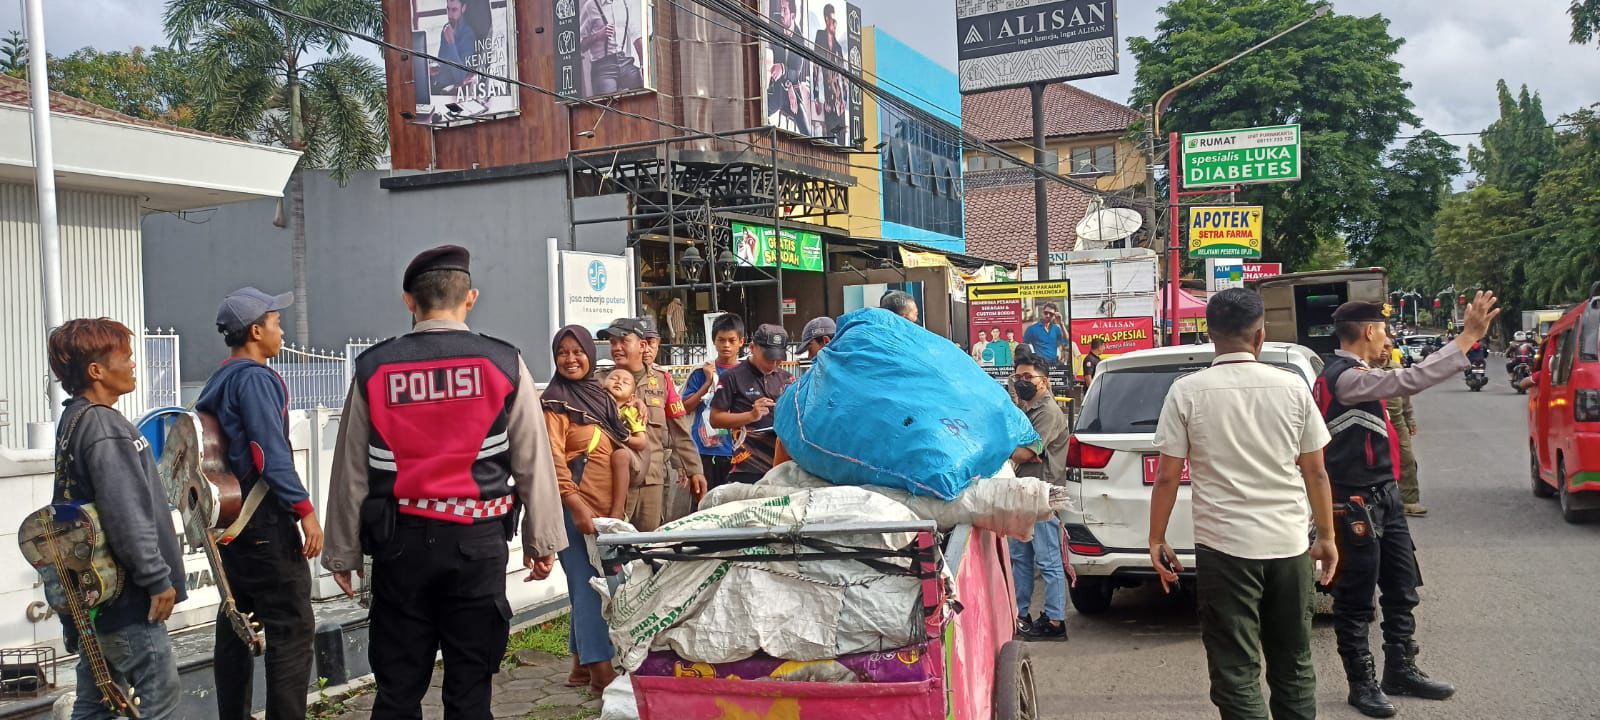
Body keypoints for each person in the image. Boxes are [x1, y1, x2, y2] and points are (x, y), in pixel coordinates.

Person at [322, 245, 566, 720]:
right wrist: (543, 541)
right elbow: (533, 460)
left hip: (399, 548)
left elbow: (351, 469)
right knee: (470, 690)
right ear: (470, 298)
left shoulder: (374, 368)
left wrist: (342, 552)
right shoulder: (503, 362)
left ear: (408, 301)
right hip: (478, 545)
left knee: (397, 691)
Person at [1148, 288, 1337, 720]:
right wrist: (1326, 537)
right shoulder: (1293, 388)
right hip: (1289, 545)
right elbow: (1316, 473)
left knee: (1235, 670)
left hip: (1224, 549)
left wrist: (1156, 538)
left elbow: (1167, 476)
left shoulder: (1187, 391)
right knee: (1293, 663)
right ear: (1260, 335)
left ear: (1209, 335)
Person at [1317, 295, 1499, 717]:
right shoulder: (1344, 377)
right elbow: (1411, 379)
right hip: (1354, 504)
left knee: (1402, 588)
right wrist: (1467, 337)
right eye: (1383, 330)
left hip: (1384, 497)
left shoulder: (1360, 373)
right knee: (1356, 600)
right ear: (1368, 331)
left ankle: (1400, 670)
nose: (1388, 338)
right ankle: (1361, 684)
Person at [46, 319, 187, 720]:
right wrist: (156, 578)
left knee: (96, 703)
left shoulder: (75, 419)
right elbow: (125, 513)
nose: (133, 364)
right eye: (125, 357)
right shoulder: (103, 426)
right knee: (160, 698)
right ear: (97, 371)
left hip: (97, 598)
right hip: (127, 599)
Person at [194, 288, 322, 720]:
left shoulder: (218, 380)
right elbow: (268, 453)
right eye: (276, 322)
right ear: (255, 331)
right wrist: (305, 511)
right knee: (291, 630)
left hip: (231, 528)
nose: (281, 331)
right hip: (265, 524)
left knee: (236, 624)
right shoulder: (255, 379)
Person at [545, 326, 637, 695]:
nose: (570, 359)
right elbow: (553, 460)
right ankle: (601, 672)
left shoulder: (599, 396)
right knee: (588, 588)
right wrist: (576, 505)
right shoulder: (554, 403)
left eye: (577, 351)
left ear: (589, 354)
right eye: (562, 353)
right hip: (574, 511)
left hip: (602, 511)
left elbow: (622, 442)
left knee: (588, 586)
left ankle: (580, 667)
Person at [600, 317, 706, 530]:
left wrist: (695, 470)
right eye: (612, 342)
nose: (617, 348)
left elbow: (679, 430)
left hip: (651, 479)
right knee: (612, 540)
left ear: (642, 345)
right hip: (611, 478)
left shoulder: (661, 380)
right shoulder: (600, 381)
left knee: (649, 541)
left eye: (623, 341)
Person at [1006, 350, 1071, 641]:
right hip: (1023, 490)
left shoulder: (1047, 412)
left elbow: (1027, 452)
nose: (1021, 381)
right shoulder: (1025, 410)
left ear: (1043, 381)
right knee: (1020, 558)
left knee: (1047, 559)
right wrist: (1019, 451)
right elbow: (1022, 451)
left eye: (1028, 376)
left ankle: (1055, 621)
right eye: (1017, 376)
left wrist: (1012, 450)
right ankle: (1020, 615)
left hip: (1043, 493)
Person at [711, 324, 798, 484]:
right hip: (748, 465)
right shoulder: (732, 377)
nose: (774, 363)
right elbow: (715, 419)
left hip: (783, 465)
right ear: (752, 347)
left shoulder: (788, 379)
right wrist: (751, 415)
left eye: (778, 358)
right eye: (768, 357)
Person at [682, 315, 745, 491]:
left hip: (737, 450)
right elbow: (685, 408)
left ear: (741, 342)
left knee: (733, 501)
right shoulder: (701, 373)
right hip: (703, 451)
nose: (726, 345)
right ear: (713, 341)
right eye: (721, 340)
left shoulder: (746, 373)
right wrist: (707, 383)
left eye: (732, 340)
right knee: (702, 500)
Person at [1382, 345, 1426, 518]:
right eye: (1381, 346)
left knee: (1407, 459)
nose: (1383, 350)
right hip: (1376, 421)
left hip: (1397, 422)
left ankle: (1409, 501)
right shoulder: (1365, 368)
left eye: (1387, 347)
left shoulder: (1396, 368)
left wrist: (1410, 420)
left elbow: (1405, 397)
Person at [580, 0, 645, 96]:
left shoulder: (625, 3)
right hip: (602, 67)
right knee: (607, 101)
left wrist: (643, 65)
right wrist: (598, 35)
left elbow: (636, 36)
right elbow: (581, 46)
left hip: (625, 62)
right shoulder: (590, 6)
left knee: (643, 90)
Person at [764, 0, 811, 132]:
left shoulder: (800, 40)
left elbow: (795, 72)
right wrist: (787, 83)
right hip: (777, 86)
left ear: (793, 15)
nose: (781, 13)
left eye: (784, 10)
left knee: (806, 131)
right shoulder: (775, 21)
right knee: (762, 112)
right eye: (781, 8)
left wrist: (784, 72)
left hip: (793, 91)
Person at [811, 4, 848, 143]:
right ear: (827, 19)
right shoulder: (820, 36)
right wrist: (816, 97)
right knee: (830, 139)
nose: (835, 24)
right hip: (827, 100)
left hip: (839, 102)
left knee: (843, 140)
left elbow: (844, 77)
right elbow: (816, 67)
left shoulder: (838, 47)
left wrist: (845, 99)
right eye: (833, 20)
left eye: (836, 21)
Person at [433, 0, 478, 89]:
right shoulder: (446, 29)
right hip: (437, 83)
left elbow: (460, 76)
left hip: (450, 88)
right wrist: (434, 67)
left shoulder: (468, 35)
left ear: (463, 8)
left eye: (454, 10)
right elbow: (441, 60)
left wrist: (451, 43)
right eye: (448, 9)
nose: (450, 15)